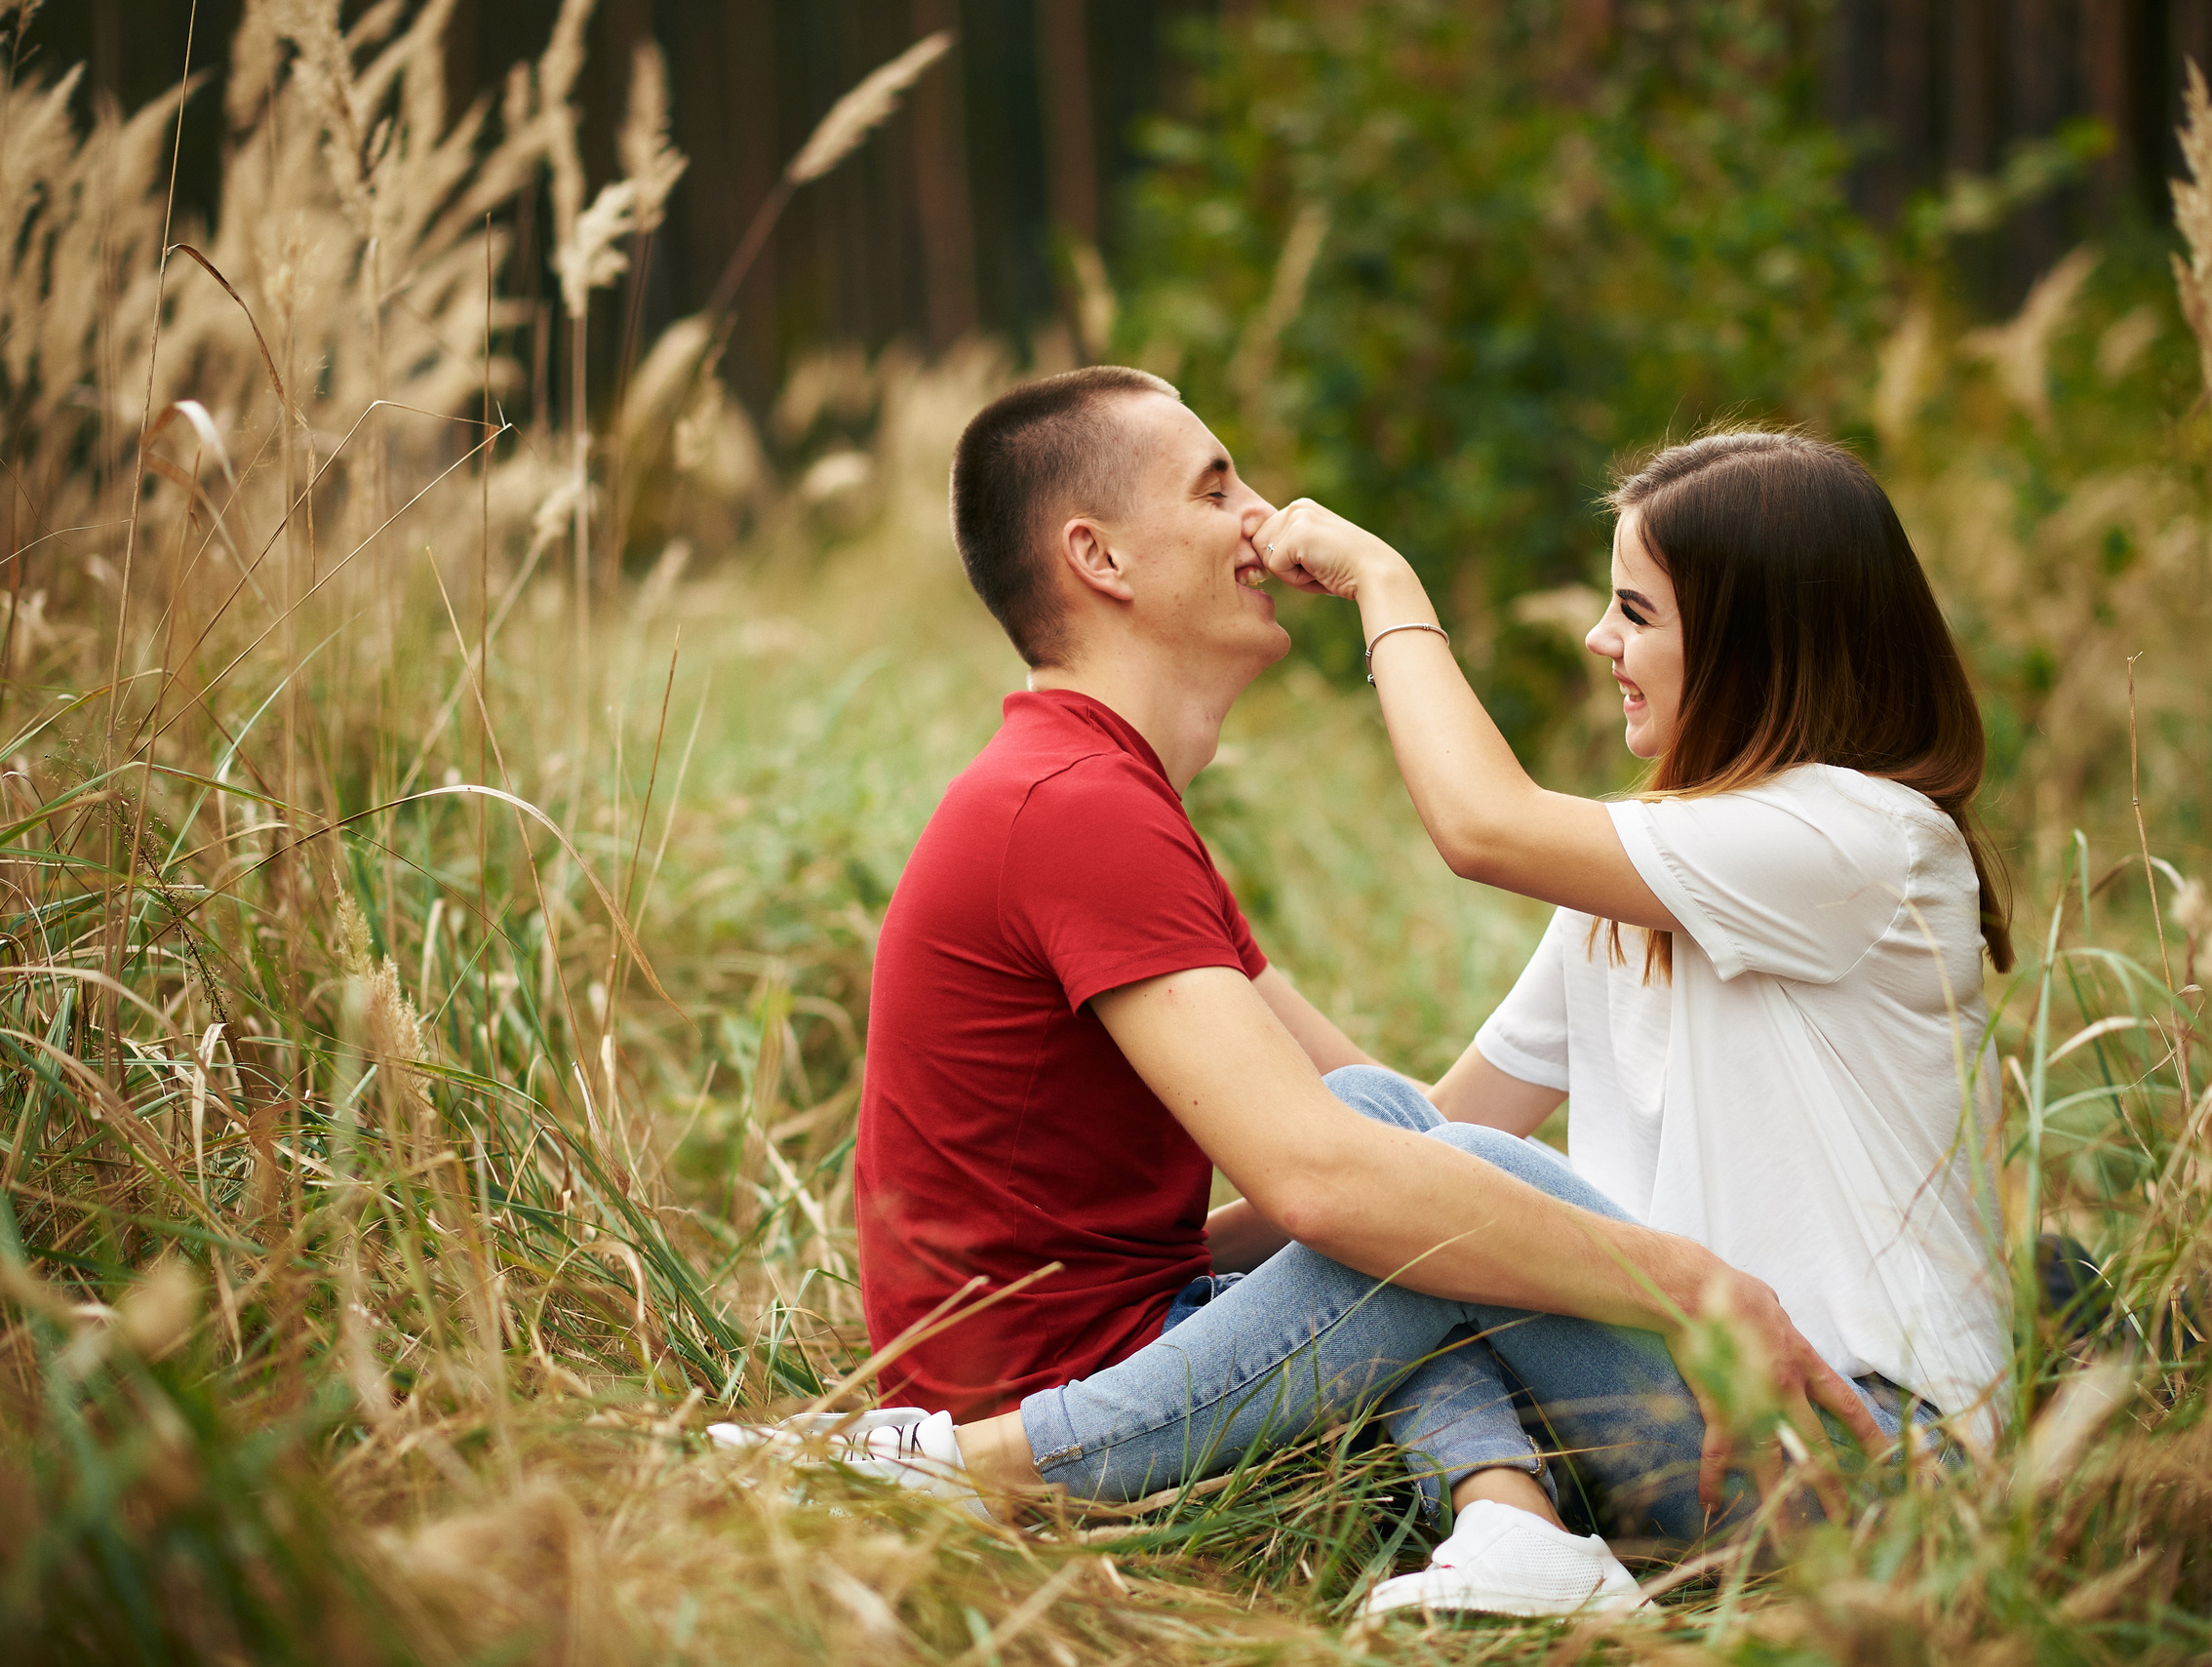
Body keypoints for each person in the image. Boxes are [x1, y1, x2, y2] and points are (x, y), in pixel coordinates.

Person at [719, 368, 1896, 1619]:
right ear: (1099, 557)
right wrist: (1685, 1280)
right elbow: (1334, 1177)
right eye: (1215, 487)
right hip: (1060, 1382)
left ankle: (1515, 1522)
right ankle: (962, 1471)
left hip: (1153, 1328)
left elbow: (1381, 1133)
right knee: (1391, 1176)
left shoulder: (1103, 798)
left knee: (1389, 1141)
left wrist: (1374, 1197)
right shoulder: (1074, 806)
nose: (1263, 517)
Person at [1259, 430, 2013, 1439]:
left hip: (1871, 1432)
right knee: (1399, 1160)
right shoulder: (1644, 879)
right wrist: (1220, 954)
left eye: (1635, 611)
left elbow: (1482, 827)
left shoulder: (1863, 838)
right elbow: (1428, 1131)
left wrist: (1381, 580)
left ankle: (1045, 1448)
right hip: (1695, 1396)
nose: (1598, 638)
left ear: (1751, 646)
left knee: (1452, 1208)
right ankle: (1503, 1506)